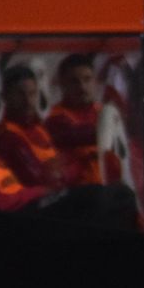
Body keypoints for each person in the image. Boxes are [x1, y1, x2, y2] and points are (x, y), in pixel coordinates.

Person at [0, 106, 136, 226]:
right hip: (19, 215)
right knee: (98, 197)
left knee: (111, 195)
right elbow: (0, 203)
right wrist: (41, 192)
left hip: (28, 204)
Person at [0, 65, 65, 191]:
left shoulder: (38, 127)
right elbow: (37, 179)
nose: (28, 101)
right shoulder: (6, 136)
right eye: (20, 94)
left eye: (32, 93)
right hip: (32, 203)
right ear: (4, 96)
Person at [45, 55, 105, 188]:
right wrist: (107, 130)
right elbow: (73, 135)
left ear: (94, 81)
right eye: (74, 81)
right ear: (62, 84)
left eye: (87, 79)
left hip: (106, 185)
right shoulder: (55, 117)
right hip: (75, 190)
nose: (82, 87)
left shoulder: (103, 112)